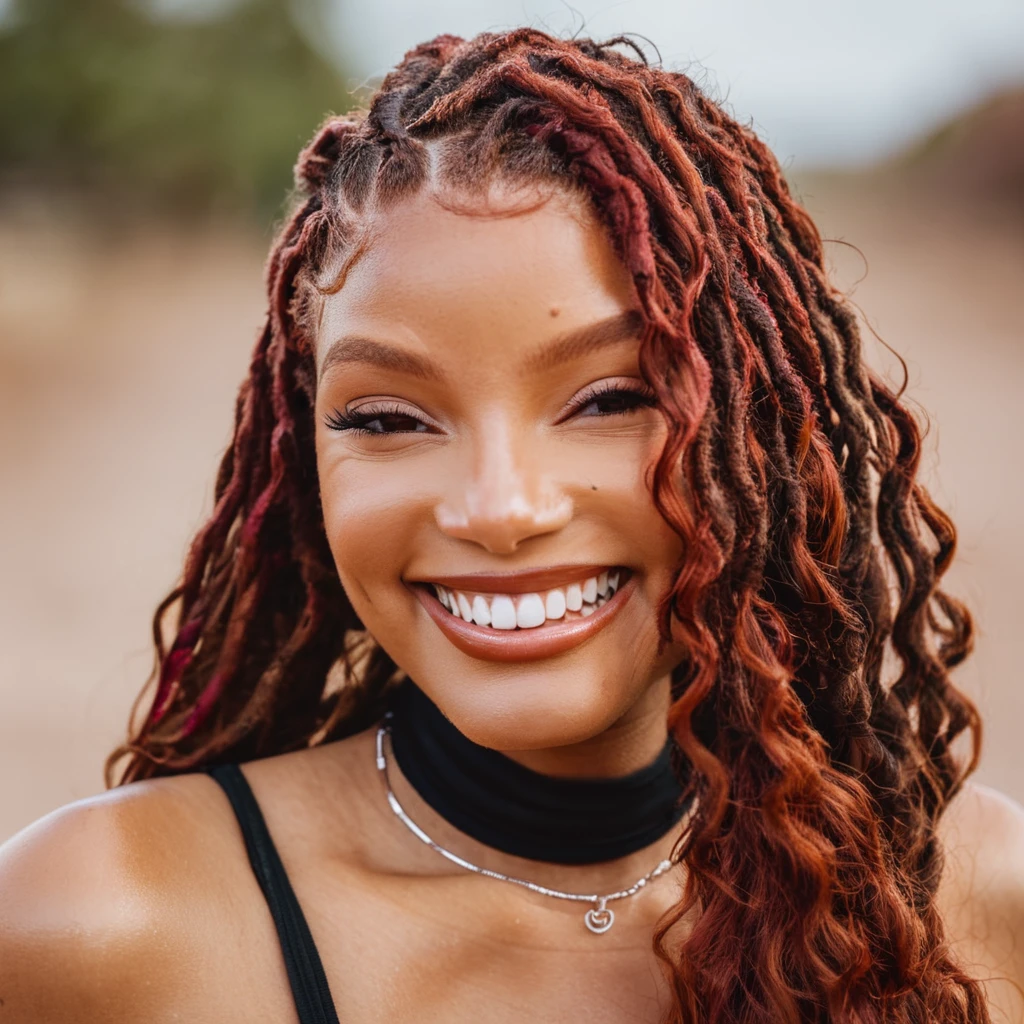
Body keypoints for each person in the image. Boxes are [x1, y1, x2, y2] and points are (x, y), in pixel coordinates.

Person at [1, 28, 1022, 1024]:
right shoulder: (104, 926)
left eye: (611, 397)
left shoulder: (969, 900)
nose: (499, 508)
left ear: (757, 433)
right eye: (388, 418)